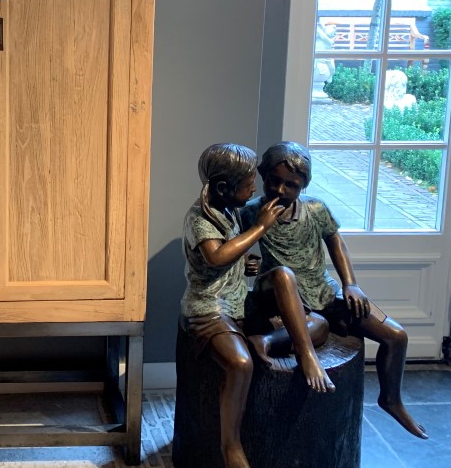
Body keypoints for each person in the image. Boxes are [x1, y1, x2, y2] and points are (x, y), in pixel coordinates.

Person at [242, 141, 428, 440]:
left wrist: (350, 283)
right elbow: (233, 250)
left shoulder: (315, 209)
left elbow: (335, 241)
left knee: (396, 336)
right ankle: (291, 350)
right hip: (277, 293)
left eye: (291, 185)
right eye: (274, 181)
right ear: (264, 175)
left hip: (322, 292)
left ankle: (391, 399)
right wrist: (246, 263)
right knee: (293, 290)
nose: (280, 190)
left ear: (303, 185)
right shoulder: (251, 212)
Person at [180, 143, 335, 468]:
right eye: (249, 182)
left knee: (293, 290)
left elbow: (230, 256)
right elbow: (216, 256)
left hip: (240, 300)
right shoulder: (199, 218)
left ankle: (300, 351)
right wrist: (260, 228)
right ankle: (231, 445)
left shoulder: (230, 210)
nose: (255, 188)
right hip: (211, 308)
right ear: (224, 188)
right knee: (241, 364)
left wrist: (245, 264)